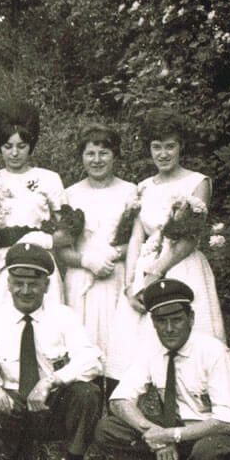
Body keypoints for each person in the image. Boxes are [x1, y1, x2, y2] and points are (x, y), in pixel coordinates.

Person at [0, 243, 102, 460]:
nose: (25, 290)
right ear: (8, 283)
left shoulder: (64, 316)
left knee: (88, 393)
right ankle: (21, 451)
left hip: (52, 403)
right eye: (18, 283)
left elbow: (91, 359)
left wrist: (51, 381)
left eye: (33, 284)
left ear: (46, 285)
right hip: (16, 404)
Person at [96, 279, 230, 460]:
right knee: (108, 428)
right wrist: (155, 434)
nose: (169, 329)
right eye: (162, 321)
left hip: (210, 433)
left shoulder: (213, 352)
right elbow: (119, 400)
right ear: (153, 322)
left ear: (191, 318)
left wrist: (172, 435)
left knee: (209, 453)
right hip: (172, 429)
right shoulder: (151, 348)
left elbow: (226, 422)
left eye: (177, 320)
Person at [114, 109, 226, 381]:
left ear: (180, 147)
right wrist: (130, 284)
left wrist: (157, 271)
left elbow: (189, 238)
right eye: (156, 147)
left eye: (169, 146)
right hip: (146, 265)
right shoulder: (142, 187)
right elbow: (136, 238)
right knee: (139, 342)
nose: (163, 154)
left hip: (181, 265)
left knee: (189, 339)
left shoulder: (198, 182)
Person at [58, 125, 137, 387]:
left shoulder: (130, 192)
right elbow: (62, 249)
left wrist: (114, 253)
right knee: (83, 348)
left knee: (118, 351)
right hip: (82, 280)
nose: (97, 160)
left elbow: (139, 242)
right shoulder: (70, 194)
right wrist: (86, 260)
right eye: (90, 153)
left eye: (104, 153)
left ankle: (116, 411)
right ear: (81, 157)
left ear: (115, 156)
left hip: (116, 276)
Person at [0, 101, 70, 307]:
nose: (14, 153)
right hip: (2, 263)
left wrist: (42, 240)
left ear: (31, 146)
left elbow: (67, 233)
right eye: (8, 146)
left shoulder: (49, 179)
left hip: (39, 259)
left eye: (21, 146)